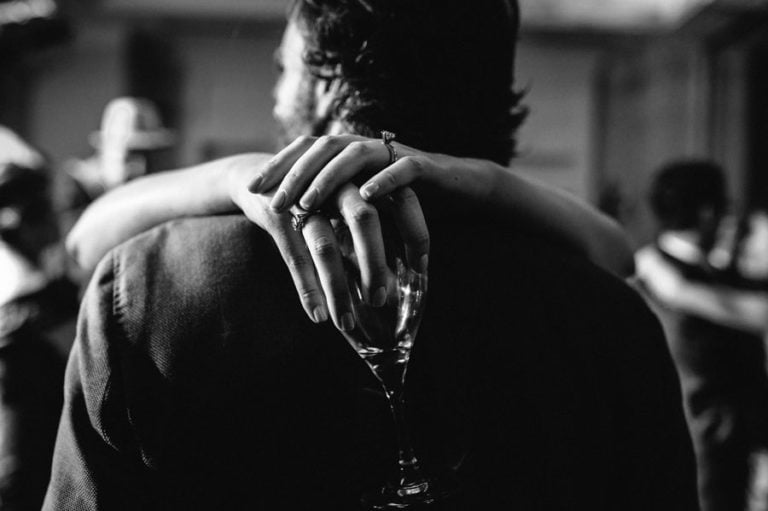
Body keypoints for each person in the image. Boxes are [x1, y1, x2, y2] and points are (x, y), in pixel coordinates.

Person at [44, 1, 697, 509]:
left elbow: (84, 251)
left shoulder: (149, 283)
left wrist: (230, 174)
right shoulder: (606, 311)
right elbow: (618, 259)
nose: (276, 95)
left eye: (283, 68)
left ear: (326, 77)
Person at [635, 160, 768, 511]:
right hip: (709, 452)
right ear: (710, 212)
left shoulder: (649, 273)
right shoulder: (677, 280)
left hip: (684, 448)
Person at [0, 127, 78, 510]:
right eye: (49, 209)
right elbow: (15, 469)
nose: (58, 221)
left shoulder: (53, 296)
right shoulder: (22, 323)